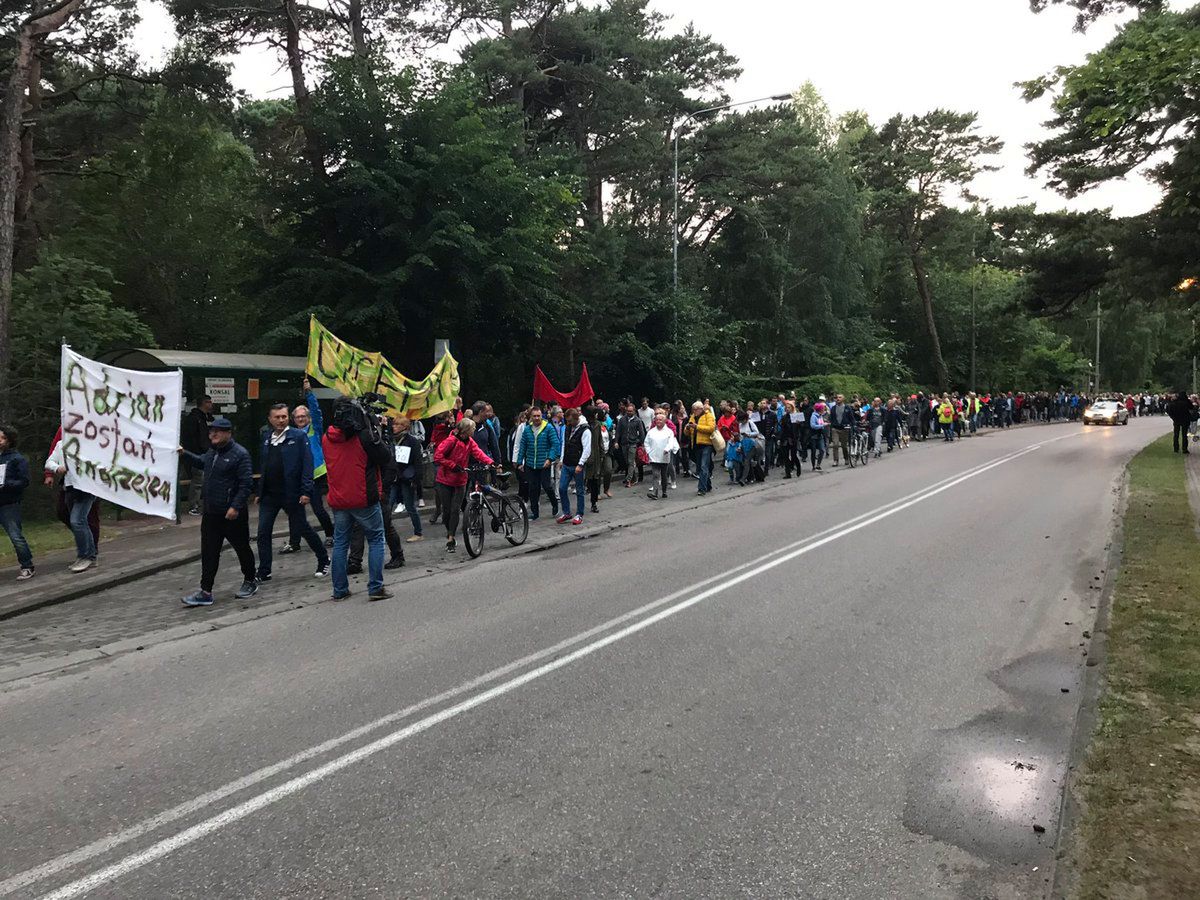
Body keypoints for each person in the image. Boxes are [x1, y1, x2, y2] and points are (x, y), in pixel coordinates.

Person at [178, 417, 257, 606]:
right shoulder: (212, 452)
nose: (212, 434)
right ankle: (206, 591)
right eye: (211, 431)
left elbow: (246, 484)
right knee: (209, 552)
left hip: (232, 514)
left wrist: (235, 506)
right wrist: (184, 453)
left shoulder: (240, 454)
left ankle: (250, 580)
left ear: (228, 434)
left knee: (242, 548)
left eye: (217, 431)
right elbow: (200, 461)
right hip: (211, 513)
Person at [323, 397, 394, 600]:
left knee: (340, 544)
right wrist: (374, 427)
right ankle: (376, 588)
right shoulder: (364, 437)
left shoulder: (326, 437)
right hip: (363, 498)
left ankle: (339, 590)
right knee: (376, 539)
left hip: (338, 498)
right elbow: (385, 456)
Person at [254, 402, 330, 582]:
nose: (281, 420)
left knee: (303, 528)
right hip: (270, 495)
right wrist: (259, 491)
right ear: (270, 419)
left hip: (292, 494)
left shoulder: (298, 437)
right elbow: (264, 466)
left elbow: (307, 464)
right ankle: (264, 571)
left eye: (284, 417)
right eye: (277, 417)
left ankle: (323, 559)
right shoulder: (266, 438)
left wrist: (305, 491)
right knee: (263, 533)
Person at [283, 378, 336, 553]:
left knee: (318, 508)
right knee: (294, 510)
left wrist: (309, 392)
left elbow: (316, 410)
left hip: (316, 475)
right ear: (293, 419)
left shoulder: (315, 429)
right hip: (297, 477)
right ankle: (294, 542)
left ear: (308, 418)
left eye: (303, 416)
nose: (300, 419)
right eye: (297, 417)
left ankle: (330, 534)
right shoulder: (290, 434)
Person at [433, 418, 493, 553]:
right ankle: (449, 531)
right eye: (472, 429)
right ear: (466, 430)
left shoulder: (470, 442)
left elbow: (478, 453)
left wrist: (490, 462)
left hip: (460, 480)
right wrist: (452, 465)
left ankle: (451, 538)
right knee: (446, 511)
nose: (474, 431)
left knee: (455, 509)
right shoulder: (451, 441)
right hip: (445, 480)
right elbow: (437, 456)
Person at [43, 427, 99, 573]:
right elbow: (49, 461)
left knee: (78, 520)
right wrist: (57, 468)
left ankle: (86, 556)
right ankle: (90, 555)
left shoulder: (89, 445)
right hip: (70, 487)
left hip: (87, 488)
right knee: (80, 521)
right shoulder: (61, 445)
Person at [0, 424, 34, 580]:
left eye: (3, 438)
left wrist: (6, 484)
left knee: (15, 536)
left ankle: (27, 565)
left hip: (9, 503)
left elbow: (24, 481)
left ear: (10, 440)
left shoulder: (17, 459)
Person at [516, 406, 561, 520]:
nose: (536, 418)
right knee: (533, 488)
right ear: (531, 417)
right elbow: (523, 446)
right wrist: (519, 461)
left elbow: (555, 444)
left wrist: (550, 459)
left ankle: (555, 504)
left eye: (538, 416)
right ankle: (534, 512)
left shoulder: (548, 428)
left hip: (544, 463)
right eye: (534, 416)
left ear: (542, 416)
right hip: (531, 463)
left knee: (547, 486)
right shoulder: (527, 429)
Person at [390, 417, 425, 542]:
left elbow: (417, 462)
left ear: (405, 427)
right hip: (394, 477)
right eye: (394, 424)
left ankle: (418, 532)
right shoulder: (391, 440)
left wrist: (416, 479)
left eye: (397, 424)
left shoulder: (412, 441)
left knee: (410, 506)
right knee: (388, 505)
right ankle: (385, 531)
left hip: (406, 478)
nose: (394, 426)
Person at [180, 395, 214, 516]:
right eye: (208, 402)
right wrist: (199, 451)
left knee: (203, 480)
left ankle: (199, 504)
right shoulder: (195, 419)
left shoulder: (205, 418)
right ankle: (193, 506)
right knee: (198, 480)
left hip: (205, 452)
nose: (210, 404)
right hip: (198, 453)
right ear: (202, 404)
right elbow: (194, 439)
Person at [557, 407, 592, 524]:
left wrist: (581, 464)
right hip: (567, 463)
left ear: (576, 419)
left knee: (579, 490)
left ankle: (579, 514)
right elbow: (564, 444)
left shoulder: (585, 430)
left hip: (577, 464)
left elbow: (587, 449)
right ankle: (566, 512)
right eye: (567, 421)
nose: (568, 423)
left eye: (570, 421)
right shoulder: (567, 428)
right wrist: (562, 459)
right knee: (562, 488)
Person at [643, 411, 679, 500]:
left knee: (664, 475)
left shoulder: (669, 432)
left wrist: (667, 449)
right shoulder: (651, 431)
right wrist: (648, 452)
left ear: (664, 421)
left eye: (660, 420)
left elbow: (671, 442)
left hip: (664, 457)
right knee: (655, 474)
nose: (658, 421)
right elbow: (646, 442)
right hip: (654, 456)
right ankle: (655, 493)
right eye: (657, 420)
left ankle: (664, 491)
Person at [584, 405, 613, 513]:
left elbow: (600, 441)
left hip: (596, 456)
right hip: (585, 456)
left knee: (595, 478)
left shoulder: (597, 425)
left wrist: (601, 454)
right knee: (589, 479)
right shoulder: (584, 426)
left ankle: (594, 502)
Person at [684, 401, 716, 495]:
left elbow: (711, 428)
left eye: (695, 409)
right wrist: (687, 428)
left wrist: (697, 427)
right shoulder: (693, 417)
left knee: (703, 466)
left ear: (701, 409)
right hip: (696, 445)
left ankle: (701, 489)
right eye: (693, 409)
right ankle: (708, 485)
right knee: (700, 468)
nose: (694, 411)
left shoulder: (708, 415)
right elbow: (687, 433)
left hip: (707, 445)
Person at [620, 401, 647, 488]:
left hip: (633, 443)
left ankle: (628, 480)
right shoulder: (622, 420)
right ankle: (634, 478)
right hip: (624, 443)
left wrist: (642, 443)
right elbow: (618, 431)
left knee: (631, 461)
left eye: (631, 411)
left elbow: (642, 432)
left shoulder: (638, 421)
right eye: (628, 411)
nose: (629, 412)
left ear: (634, 411)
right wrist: (616, 441)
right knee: (627, 462)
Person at [827, 395, 853, 467]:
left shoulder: (847, 408)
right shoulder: (833, 408)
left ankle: (846, 458)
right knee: (835, 445)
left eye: (840, 397)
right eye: (837, 397)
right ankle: (835, 460)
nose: (838, 398)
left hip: (844, 429)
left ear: (843, 399)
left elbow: (851, 418)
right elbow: (831, 418)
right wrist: (831, 424)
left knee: (844, 446)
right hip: (835, 429)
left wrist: (853, 425)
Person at [809, 402, 827, 471]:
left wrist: (824, 423)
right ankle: (813, 466)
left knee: (822, 450)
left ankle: (818, 464)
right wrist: (823, 425)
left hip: (820, 435)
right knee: (813, 451)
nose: (824, 410)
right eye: (823, 409)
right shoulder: (813, 416)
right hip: (813, 435)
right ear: (819, 409)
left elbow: (821, 423)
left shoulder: (820, 416)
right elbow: (813, 426)